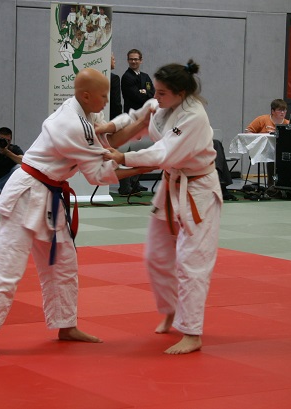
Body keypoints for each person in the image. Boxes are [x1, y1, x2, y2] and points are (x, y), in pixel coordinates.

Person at [0, 68, 154, 360]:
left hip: (49, 195)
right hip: (27, 193)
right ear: (86, 95)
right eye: (103, 95)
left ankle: (66, 325)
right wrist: (148, 165)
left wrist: (141, 121)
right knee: (7, 266)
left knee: (63, 264)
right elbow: (97, 173)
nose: (107, 100)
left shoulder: (86, 112)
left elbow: (108, 140)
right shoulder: (70, 124)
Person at [102, 59, 223, 354]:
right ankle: (171, 309)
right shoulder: (162, 105)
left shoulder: (193, 116)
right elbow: (137, 116)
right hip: (171, 186)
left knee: (191, 262)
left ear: (181, 93)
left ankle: (191, 331)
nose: (155, 97)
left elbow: (163, 152)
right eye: (155, 91)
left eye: (161, 92)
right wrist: (109, 126)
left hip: (198, 191)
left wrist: (123, 157)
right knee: (156, 255)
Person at [119, 48, 155, 196]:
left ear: (141, 60)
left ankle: (135, 182)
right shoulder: (126, 77)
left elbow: (152, 94)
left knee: (139, 151)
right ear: (128, 60)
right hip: (131, 118)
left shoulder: (145, 76)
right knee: (128, 150)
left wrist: (144, 92)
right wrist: (144, 93)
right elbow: (135, 96)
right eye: (131, 59)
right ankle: (125, 186)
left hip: (143, 119)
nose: (133, 61)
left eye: (136, 59)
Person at [244, 98, 289, 188]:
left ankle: (286, 184)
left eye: (284, 110)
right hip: (263, 149)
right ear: (273, 111)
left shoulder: (288, 123)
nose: (282, 113)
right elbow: (248, 131)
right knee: (272, 156)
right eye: (280, 110)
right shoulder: (262, 119)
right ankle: (271, 185)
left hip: (280, 150)